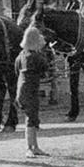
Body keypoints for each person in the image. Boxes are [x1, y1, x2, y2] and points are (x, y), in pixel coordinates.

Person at [15, 25, 51, 157]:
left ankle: (35, 146)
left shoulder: (21, 55)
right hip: (30, 91)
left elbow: (16, 71)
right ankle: (29, 148)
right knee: (31, 120)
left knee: (32, 118)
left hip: (22, 91)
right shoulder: (36, 57)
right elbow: (45, 71)